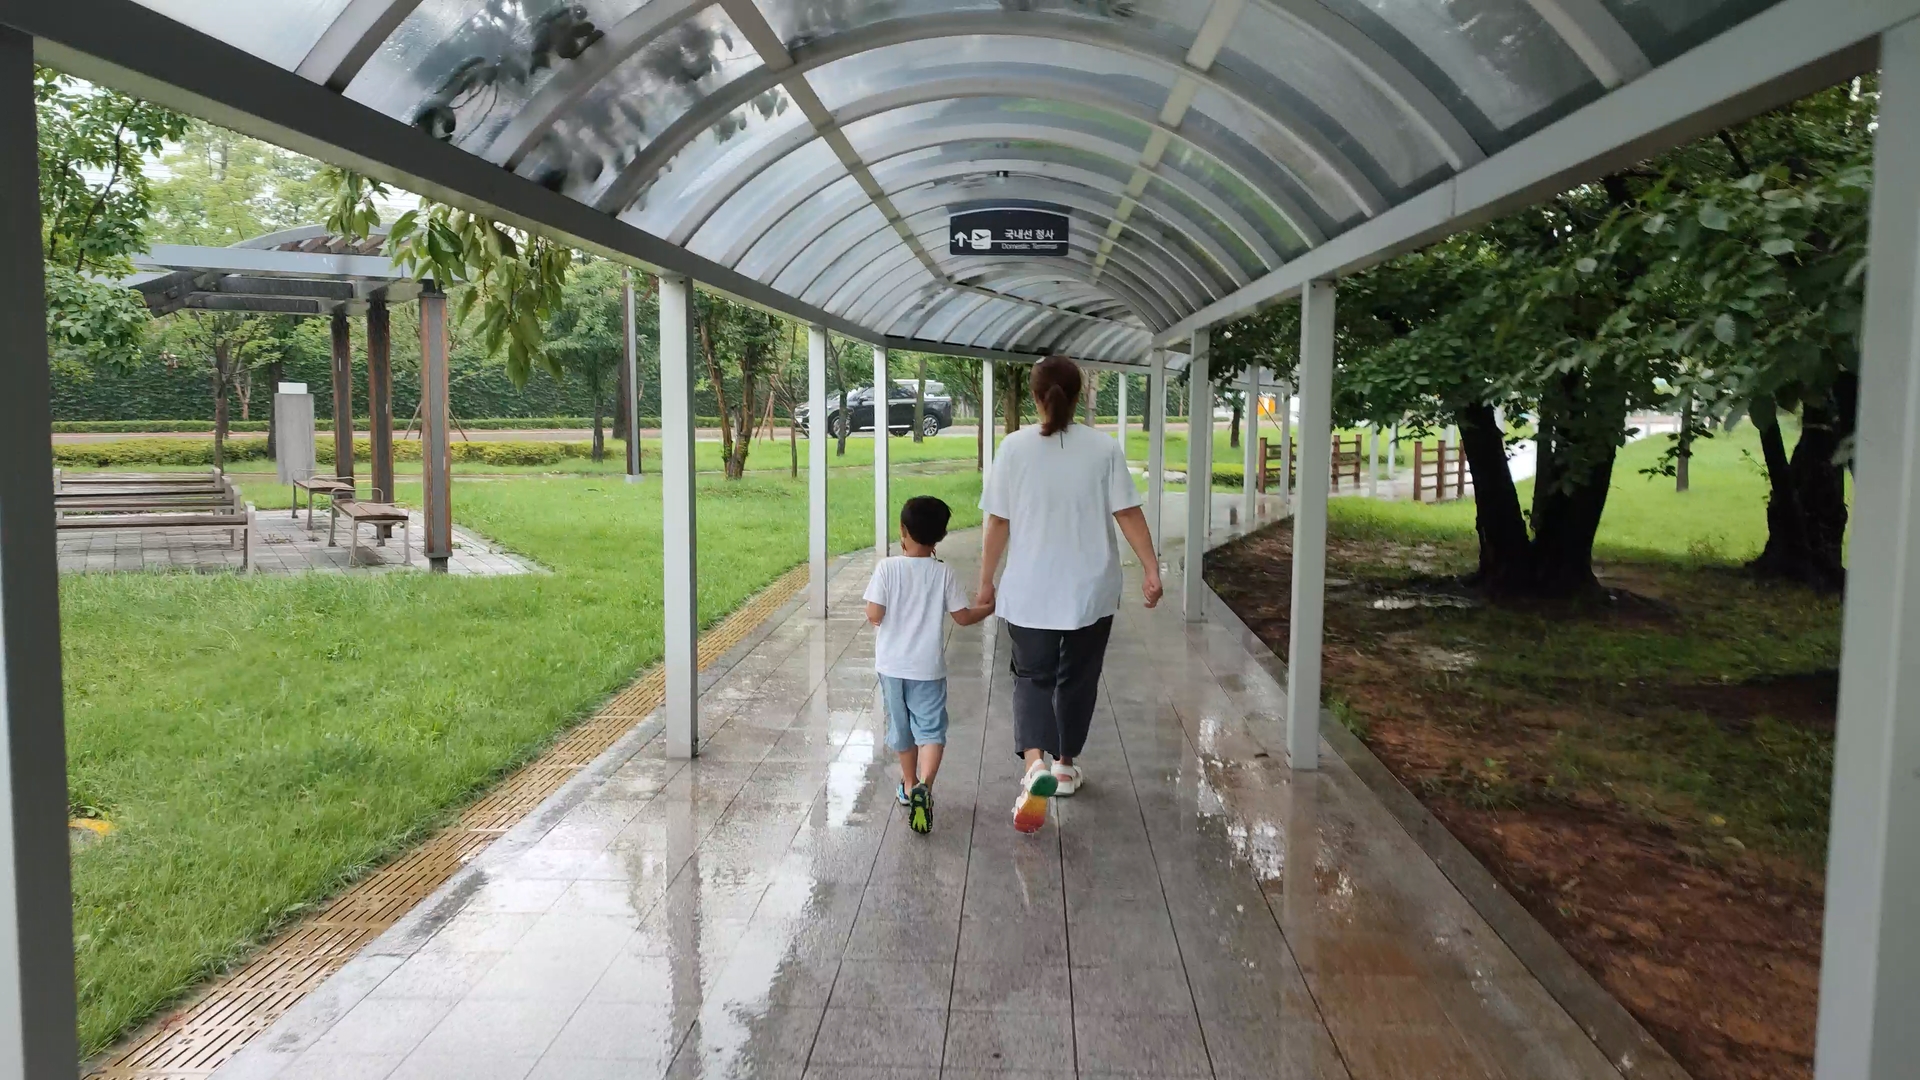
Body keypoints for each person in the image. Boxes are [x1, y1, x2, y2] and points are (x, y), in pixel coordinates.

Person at [977, 356, 1163, 833]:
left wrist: (985, 581)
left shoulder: (1013, 447)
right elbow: (1127, 513)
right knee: (1077, 679)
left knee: (1032, 677)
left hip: (1030, 590)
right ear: (1077, 396)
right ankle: (1064, 765)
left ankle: (1033, 766)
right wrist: (1150, 568)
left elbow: (998, 521)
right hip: (1090, 590)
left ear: (1037, 397)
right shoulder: (1103, 449)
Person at [864, 495, 995, 834]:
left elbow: (874, 615)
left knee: (902, 730)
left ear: (902, 531)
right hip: (927, 669)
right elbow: (963, 618)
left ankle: (908, 786)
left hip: (892, 666)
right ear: (939, 537)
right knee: (931, 731)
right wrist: (989, 608)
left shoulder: (887, 568)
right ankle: (926, 785)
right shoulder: (943, 573)